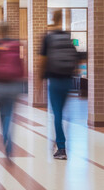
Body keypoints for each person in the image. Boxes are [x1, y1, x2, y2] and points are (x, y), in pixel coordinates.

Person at [40, 9, 79, 160]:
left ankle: (61, 147)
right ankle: (61, 138)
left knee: (57, 114)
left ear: (52, 18)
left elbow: (42, 60)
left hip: (55, 80)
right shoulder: (67, 37)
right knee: (64, 112)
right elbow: (76, 58)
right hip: (68, 80)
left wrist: (39, 79)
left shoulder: (49, 38)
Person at [0, 23, 24, 158]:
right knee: (9, 113)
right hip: (13, 85)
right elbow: (21, 64)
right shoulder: (16, 44)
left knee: (1, 113)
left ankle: (5, 135)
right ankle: (9, 137)